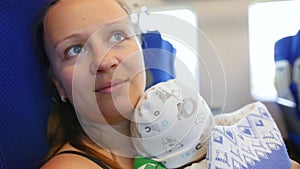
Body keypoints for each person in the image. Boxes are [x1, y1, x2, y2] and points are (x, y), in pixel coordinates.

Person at [35, 0, 300, 168]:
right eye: (75, 50)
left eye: (117, 35)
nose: (105, 61)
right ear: (59, 85)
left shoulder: (170, 133)